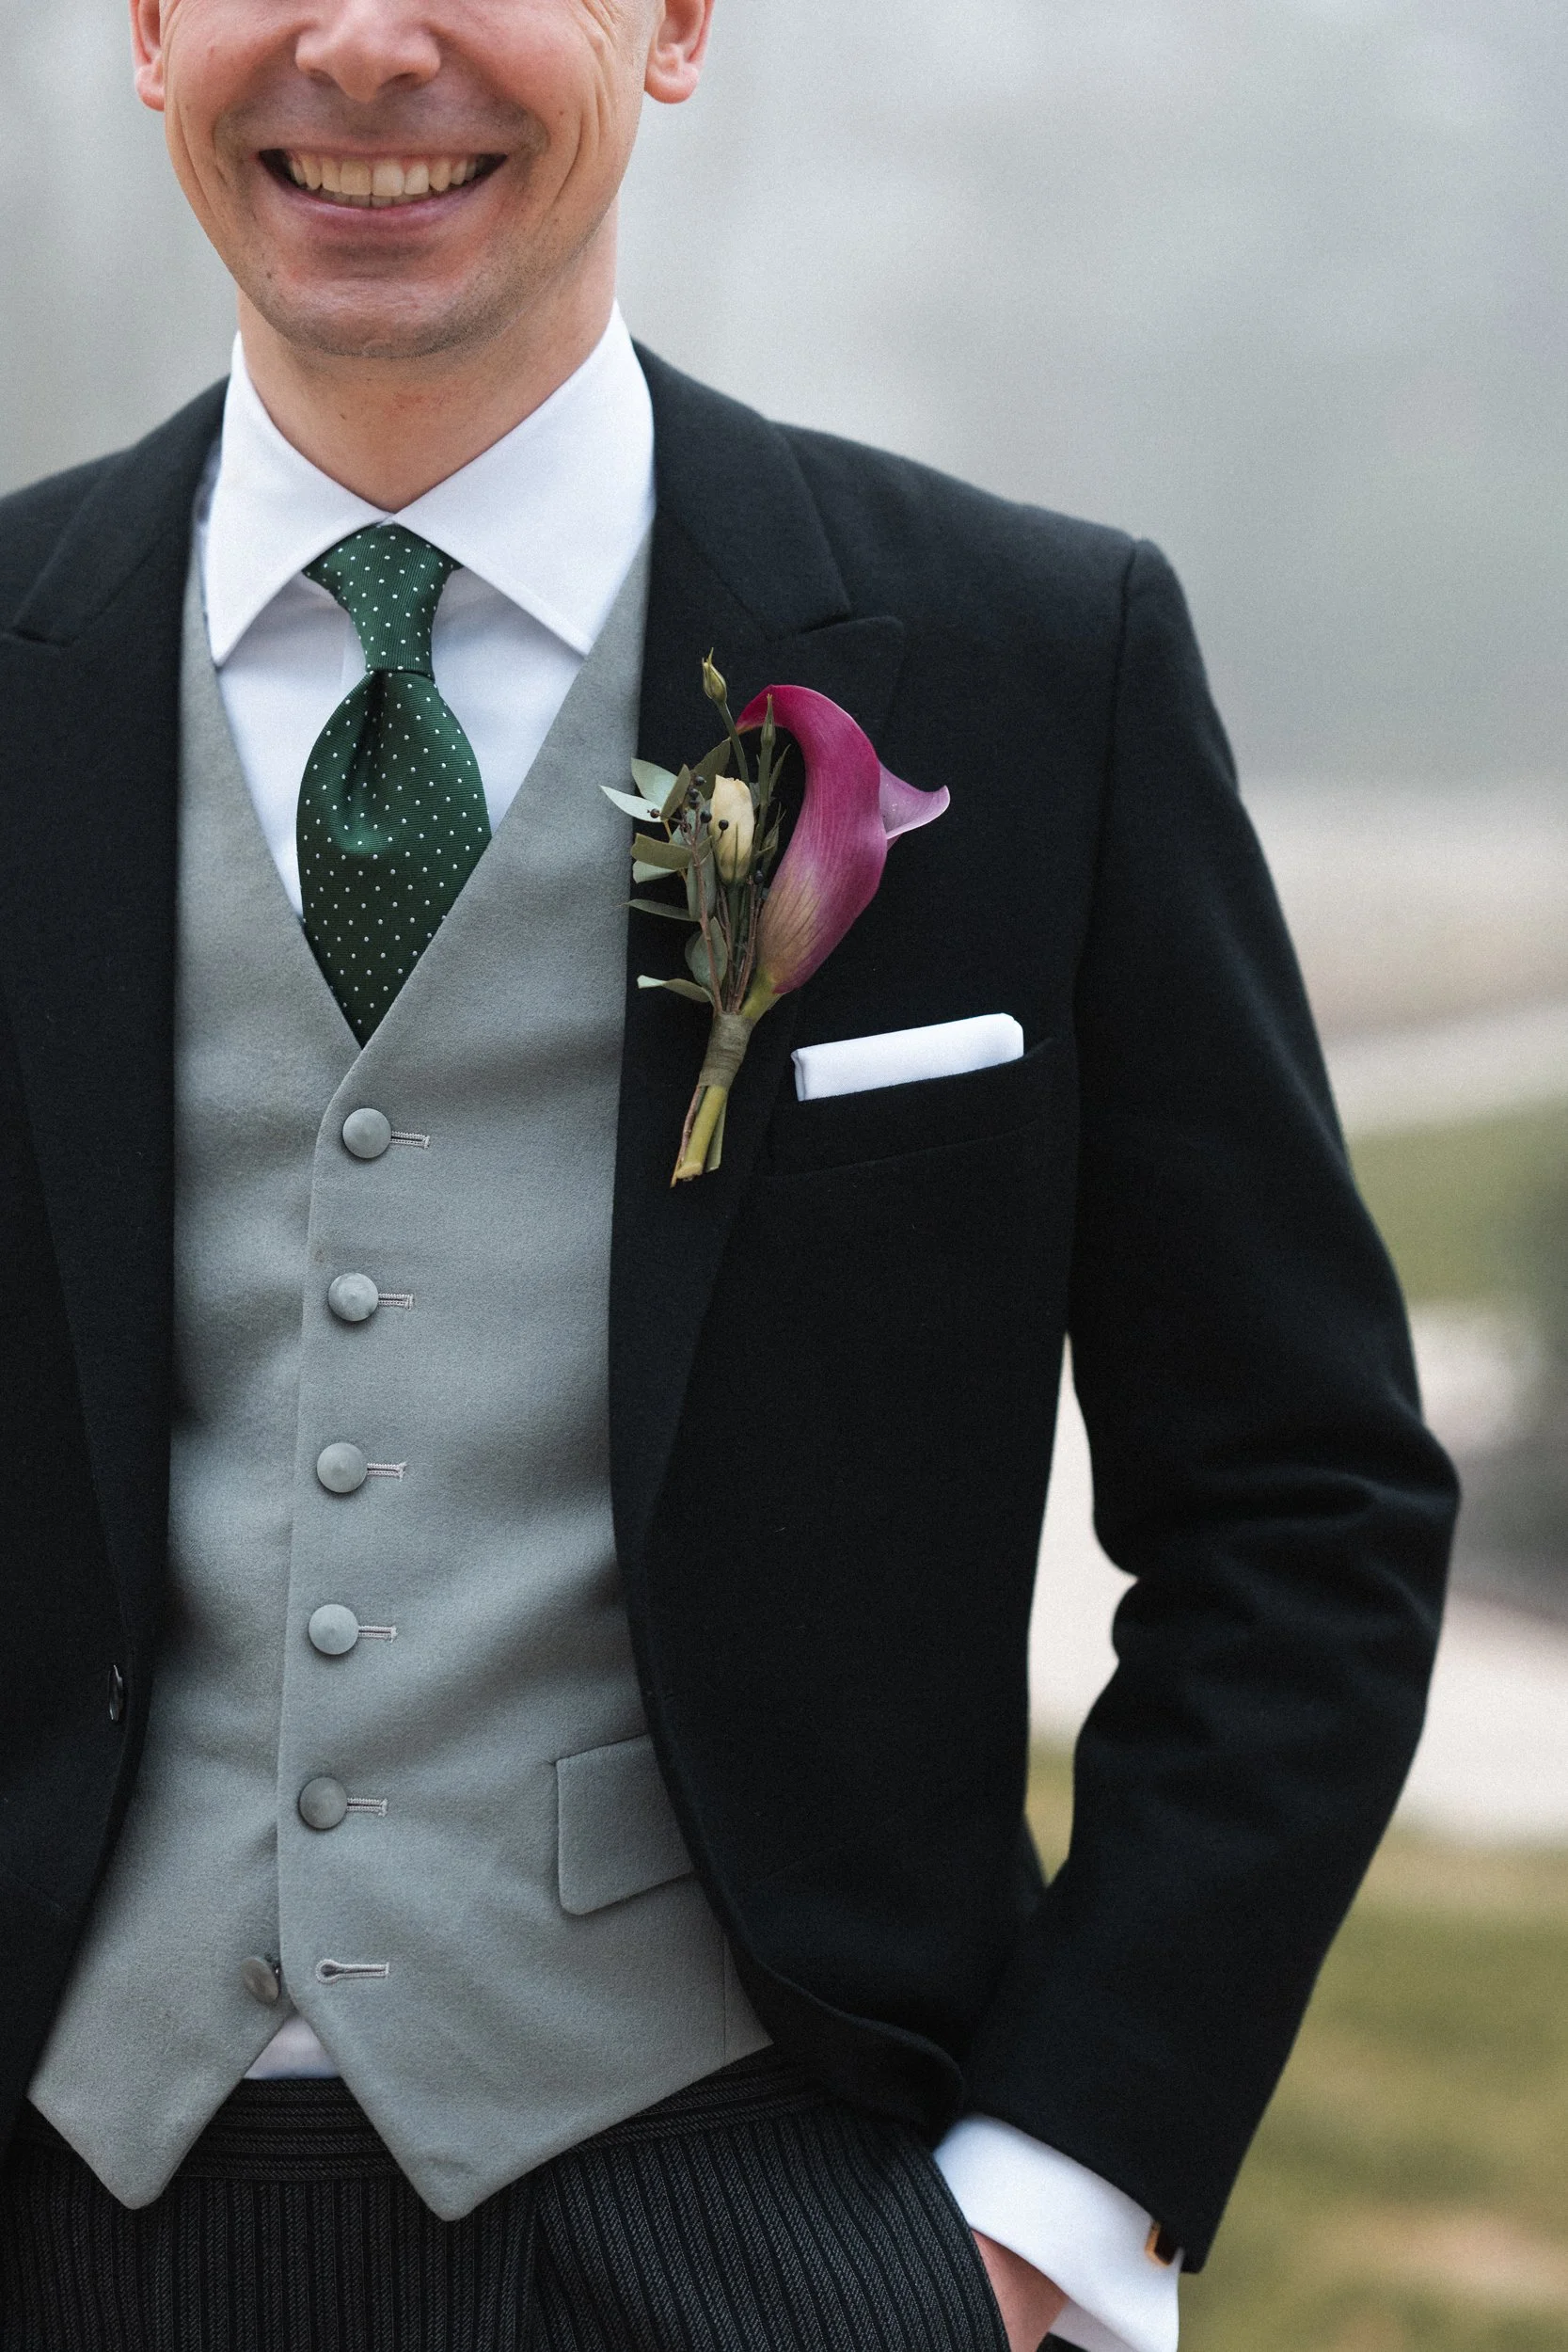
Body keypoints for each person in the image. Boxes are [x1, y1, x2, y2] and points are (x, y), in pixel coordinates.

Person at [0, 4, 1456, 2349]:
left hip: (753, 2220)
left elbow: (1304, 1503)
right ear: (150, 31)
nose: (364, 49)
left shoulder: (1030, 658)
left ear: (673, 23)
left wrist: (1043, 2205)